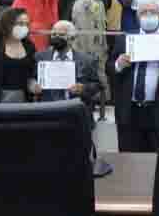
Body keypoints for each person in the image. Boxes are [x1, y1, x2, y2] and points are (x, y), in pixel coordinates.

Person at [107, 3, 159, 152]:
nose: (148, 15)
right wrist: (118, 65)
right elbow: (109, 68)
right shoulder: (124, 39)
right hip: (129, 112)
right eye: (144, 12)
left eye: (152, 12)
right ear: (137, 16)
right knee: (129, 161)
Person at [31, 20, 107, 176]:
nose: (56, 37)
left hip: (76, 116)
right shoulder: (40, 57)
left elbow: (98, 85)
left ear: (72, 37)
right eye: (54, 34)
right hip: (47, 115)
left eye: (61, 34)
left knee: (76, 162)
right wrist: (32, 85)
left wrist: (83, 88)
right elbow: (30, 79)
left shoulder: (87, 60)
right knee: (48, 160)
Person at [58, 0, 112, 91]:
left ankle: (98, 93)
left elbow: (108, 1)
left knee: (97, 56)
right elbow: (63, 0)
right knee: (77, 54)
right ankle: (74, 89)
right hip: (77, 24)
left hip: (96, 26)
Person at [0, 7, 37, 103]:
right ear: (8, 24)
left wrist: (32, 83)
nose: (24, 27)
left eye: (26, 24)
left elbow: (33, 71)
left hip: (24, 100)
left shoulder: (29, 46)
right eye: (20, 24)